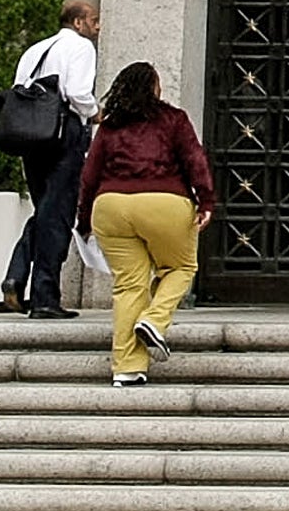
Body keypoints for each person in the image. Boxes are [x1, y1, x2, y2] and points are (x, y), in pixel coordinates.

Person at [77, 61, 215, 387]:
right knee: (180, 267)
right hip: (164, 202)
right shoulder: (174, 119)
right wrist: (206, 200)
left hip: (110, 206)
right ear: (155, 88)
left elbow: (90, 174)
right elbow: (194, 160)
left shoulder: (110, 125)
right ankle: (154, 320)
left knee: (129, 286)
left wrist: (84, 219)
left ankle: (127, 369)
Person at [2, 1, 100, 318]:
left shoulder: (34, 50)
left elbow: (19, 88)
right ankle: (45, 298)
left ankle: (17, 275)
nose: (97, 27)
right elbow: (78, 92)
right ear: (77, 22)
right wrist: (95, 112)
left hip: (31, 135)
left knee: (45, 209)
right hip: (63, 134)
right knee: (57, 216)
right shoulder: (81, 47)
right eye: (93, 20)